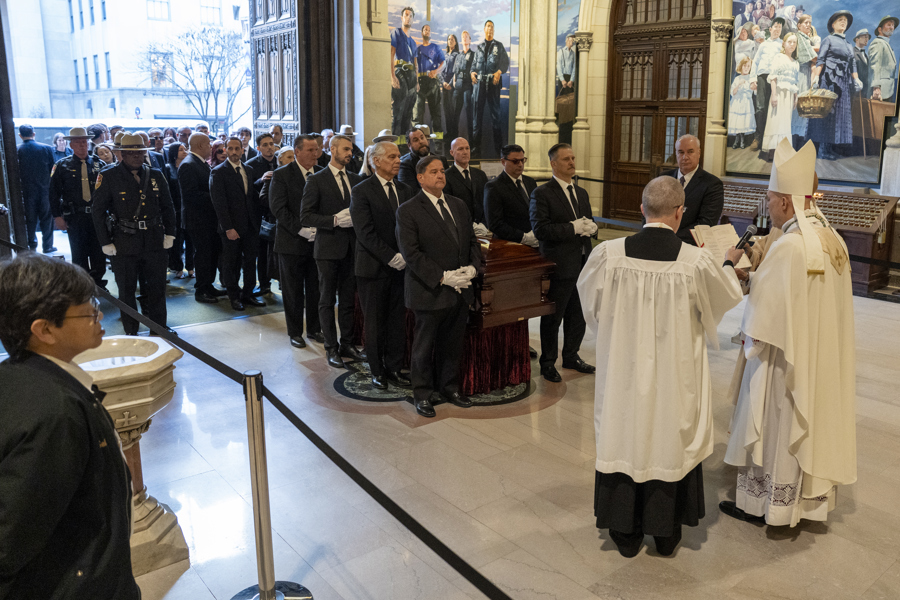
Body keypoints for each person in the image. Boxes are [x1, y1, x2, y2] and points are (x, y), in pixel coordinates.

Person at [577, 176, 743, 558]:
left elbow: (592, 309)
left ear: (642, 210)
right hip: (673, 377)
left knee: (625, 433)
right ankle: (665, 533)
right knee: (668, 439)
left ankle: (625, 532)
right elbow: (723, 299)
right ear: (680, 212)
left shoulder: (608, 255)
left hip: (623, 374)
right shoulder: (695, 261)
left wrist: (621, 335)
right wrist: (728, 264)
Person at [721, 139, 856, 527]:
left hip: (785, 361)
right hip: (819, 356)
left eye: (770, 199)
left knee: (778, 424)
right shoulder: (831, 239)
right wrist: (758, 279)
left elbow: (764, 317)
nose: (769, 205)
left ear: (783, 201)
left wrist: (736, 273)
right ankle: (801, 503)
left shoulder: (792, 246)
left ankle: (765, 505)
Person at [0, 254, 140, 599]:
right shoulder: (56, 413)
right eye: (88, 311)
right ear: (44, 330)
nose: (99, 315)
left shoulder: (20, 375)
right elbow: (12, 538)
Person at [396, 155, 482, 418]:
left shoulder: (458, 204)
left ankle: (449, 387)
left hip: (460, 288)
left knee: (452, 343)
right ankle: (422, 393)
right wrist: (443, 277)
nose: (440, 175)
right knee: (424, 346)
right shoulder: (409, 210)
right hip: (429, 289)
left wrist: (473, 267)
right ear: (420, 178)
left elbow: (471, 241)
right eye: (433, 172)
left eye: (442, 171)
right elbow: (411, 253)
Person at [91, 133, 176, 335]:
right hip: (124, 240)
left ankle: (158, 327)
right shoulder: (109, 176)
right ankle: (131, 330)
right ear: (122, 154)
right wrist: (105, 242)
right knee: (126, 290)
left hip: (153, 239)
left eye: (140, 152)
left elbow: (168, 206)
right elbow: (98, 211)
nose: (136, 156)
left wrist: (170, 233)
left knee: (157, 287)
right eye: (131, 153)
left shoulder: (155, 174)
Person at [350, 141, 414, 390]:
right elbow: (365, 232)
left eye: (398, 156)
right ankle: (377, 370)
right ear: (376, 161)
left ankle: (394, 367)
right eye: (392, 157)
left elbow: (410, 227)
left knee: (397, 320)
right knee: (375, 322)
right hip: (373, 267)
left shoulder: (405, 189)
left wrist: (405, 255)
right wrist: (391, 257)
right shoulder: (362, 190)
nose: (398, 160)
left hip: (401, 267)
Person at [530, 143, 596, 382]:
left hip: (583, 262)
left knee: (578, 314)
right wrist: (572, 228)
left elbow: (588, 221)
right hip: (559, 265)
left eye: (573, 158)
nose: (572, 162)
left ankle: (571, 355)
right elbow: (541, 230)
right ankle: (548, 362)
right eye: (566, 159)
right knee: (553, 318)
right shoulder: (542, 193)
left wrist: (592, 228)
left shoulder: (581, 192)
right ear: (554, 163)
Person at [299, 134, 366, 368]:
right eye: (346, 149)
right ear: (332, 149)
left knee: (348, 300)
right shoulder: (316, 180)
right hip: (327, 248)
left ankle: (347, 343)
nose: (350, 153)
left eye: (351, 150)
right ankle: (331, 347)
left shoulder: (356, 179)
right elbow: (306, 216)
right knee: (327, 300)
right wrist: (334, 220)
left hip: (352, 248)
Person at [269, 135, 324, 349]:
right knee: (293, 291)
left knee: (315, 288)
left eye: (316, 149)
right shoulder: (282, 174)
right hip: (291, 241)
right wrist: (301, 229)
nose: (315, 154)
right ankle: (295, 332)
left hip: (317, 241)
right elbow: (278, 208)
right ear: (297, 152)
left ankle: (314, 329)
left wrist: (319, 228)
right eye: (310, 150)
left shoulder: (321, 173)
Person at [48, 127, 108, 288]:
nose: (82, 145)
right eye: (78, 142)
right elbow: (53, 194)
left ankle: (99, 285)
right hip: (75, 217)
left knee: (98, 252)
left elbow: (108, 192)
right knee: (79, 253)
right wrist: (57, 217)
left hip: (96, 217)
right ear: (71, 145)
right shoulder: (61, 166)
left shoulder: (99, 164)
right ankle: (82, 286)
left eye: (85, 142)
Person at [210, 137, 263, 311]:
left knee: (250, 262)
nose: (234, 152)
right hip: (231, 227)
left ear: (242, 150)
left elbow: (251, 198)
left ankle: (248, 294)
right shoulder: (218, 172)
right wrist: (228, 228)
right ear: (226, 150)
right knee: (231, 263)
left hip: (250, 225)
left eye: (237, 148)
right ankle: (234, 296)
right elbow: (219, 204)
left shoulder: (248, 169)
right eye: (230, 148)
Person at [809, 11, 863, 161]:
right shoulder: (829, 40)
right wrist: (816, 77)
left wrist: (856, 79)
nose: (843, 22)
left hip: (843, 82)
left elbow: (852, 64)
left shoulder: (848, 44)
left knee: (838, 115)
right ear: (833, 25)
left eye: (845, 20)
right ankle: (822, 150)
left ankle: (830, 148)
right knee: (828, 114)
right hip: (829, 81)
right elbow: (821, 60)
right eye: (840, 20)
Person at [180, 132, 226, 303]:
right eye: (208, 144)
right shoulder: (188, 164)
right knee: (203, 255)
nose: (210, 147)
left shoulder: (200, 163)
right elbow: (191, 195)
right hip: (198, 220)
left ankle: (208, 285)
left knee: (211, 254)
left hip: (208, 219)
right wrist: (216, 196)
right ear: (200, 145)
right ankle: (201, 290)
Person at [664, 135, 725, 245]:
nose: (685, 157)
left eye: (690, 152)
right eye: (681, 152)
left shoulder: (712, 184)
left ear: (699, 153)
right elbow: (650, 210)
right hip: (659, 241)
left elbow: (706, 223)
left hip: (690, 246)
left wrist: (671, 238)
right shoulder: (663, 178)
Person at [246, 132, 280, 296]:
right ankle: (264, 284)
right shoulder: (251, 165)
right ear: (258, 148)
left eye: (271, 144)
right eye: (265, 145)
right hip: (259, 214)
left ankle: (281, 282)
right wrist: (261, 180)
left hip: (277, 213)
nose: (269, 148)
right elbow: (247, 190)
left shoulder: (280, 162)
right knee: (262, 251)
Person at [471, 20, 509, 158]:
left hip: (493, 84)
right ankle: (476, 149)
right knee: (477, 118)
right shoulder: (479, 47)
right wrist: (472, 73)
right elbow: (474, 65)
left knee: (496, 117)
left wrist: (499, 72)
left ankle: (499, 150)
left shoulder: (499, 46)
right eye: (488, 26)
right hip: (480, 85)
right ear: (484, 29)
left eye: (492, 27)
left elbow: (505, 63)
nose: (490, 29)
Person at [17, 124, 57, 253]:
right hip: (45, 189)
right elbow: (53, 170)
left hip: (26, 191)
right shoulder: (47, 148)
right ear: (34, 134)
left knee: (30, 220)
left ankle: (32, 245)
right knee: (47, 219)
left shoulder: (17, 150)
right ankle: (48, 246)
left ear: (20, 135)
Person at [751, 17, 785, 155]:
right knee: (760, 108)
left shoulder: (782, 45)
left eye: (780, 27)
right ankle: (758, 137)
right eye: (775, 26)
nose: (777, 29)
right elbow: (755, 62)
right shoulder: (763, 45)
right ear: (770, 29)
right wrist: (753, 79)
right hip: (762, 77)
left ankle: (770, 140)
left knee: (773, 109)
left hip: (776, 79)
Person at [762, 33, 800, 154]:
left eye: (794, 42)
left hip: (789, 95)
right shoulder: (778, 57)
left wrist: (795, 97)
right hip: (779, 93)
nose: (792, 44)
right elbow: (773, 77)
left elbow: (794, 81)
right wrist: (774, 95)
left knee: (785, 121)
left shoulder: (795, 63)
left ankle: (783, 149)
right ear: (784, 43)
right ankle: (773, 149)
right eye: (789, 42)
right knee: (776, 119)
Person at [444, 137, 488, 231]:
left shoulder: (480, 174)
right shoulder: (446, 176)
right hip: (460, 227)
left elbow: (486, 201)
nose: (465, 152)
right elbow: (449, 206)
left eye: (467, 148)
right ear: (452, 152)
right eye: (460, 149)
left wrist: (484, 223)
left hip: (482, 227)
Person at [414, 24, 446, 141]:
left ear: (430, 33)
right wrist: (416, 82)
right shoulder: (418, 50)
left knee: (436, 114)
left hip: (433, 82)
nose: (427, 31)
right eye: (425, 29)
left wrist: (436, 71)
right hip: (420, 82)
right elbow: (415, 67)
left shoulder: (436, 48)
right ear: (422, 32)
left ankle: (438, 144)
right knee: (418, 114)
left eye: (429, 30)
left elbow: (444, 63)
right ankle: (419, 142)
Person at [165, 141, 192, 279]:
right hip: (175, 209)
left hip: (188, 208)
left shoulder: (189, 166)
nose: (184, 151)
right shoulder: (168, 168)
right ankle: (178, 267)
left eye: (185, 149)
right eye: (181, 149)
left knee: (190, 239)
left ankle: (191, 267)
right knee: (177, 241)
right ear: (174, 153)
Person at [390, 6, 418, 135]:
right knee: (399, 111)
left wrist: (417, 81)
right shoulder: (396, 33)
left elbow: (415, 64)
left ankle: (406, 143)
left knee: (408, 111)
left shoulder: (413, 42)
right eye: (406, 15)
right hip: (400, 72)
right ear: (402, 18)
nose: (408, 17)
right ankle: (396, 143)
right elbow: (391, 55)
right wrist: (392, 76)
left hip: (411, 75)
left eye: (411, 16)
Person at [793, 15, 819, 146]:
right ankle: (795, 141)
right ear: (799, 25)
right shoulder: (799, 37)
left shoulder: (807, 38)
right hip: (800, 73)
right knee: (799, 104)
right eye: (806, 23)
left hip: (807, 72)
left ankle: (801, 139)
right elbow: (813, 58)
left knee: (805, 105)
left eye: (810, 23)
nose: (808, 25)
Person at [398, 126, 446, 192]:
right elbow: (410, 192)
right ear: (409, 146)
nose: (421, 141)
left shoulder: (441, 160)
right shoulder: (405, 165)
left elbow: (447, 188)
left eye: (422, 138)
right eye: (415, 140)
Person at [729, 57, 758, 150]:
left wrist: (755, 87)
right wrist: (739, 84)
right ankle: (737, 140)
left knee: (744, 121)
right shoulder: (737, 78)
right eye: (744, 66)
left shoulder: (751, 79)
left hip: (746, 103)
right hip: (737, 102)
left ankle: (742, 141)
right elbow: (733, 92)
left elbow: (754, 92)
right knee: (738, 121)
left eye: (748, 66)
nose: (746, 68)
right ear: (741, 66)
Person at [453, 30, 477, 140]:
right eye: (463, 37)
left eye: (466, 36)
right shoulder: (458, 56)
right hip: (458, 85)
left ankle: (471, 140)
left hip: (468, 85)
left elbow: (475, 69)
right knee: (455, 112)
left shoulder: (473, 55)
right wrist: (454, 81)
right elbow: (455, 71)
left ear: (470, 40)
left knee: (469, 113)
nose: (464, 38)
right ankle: (453, 139)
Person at [869, 16, 898, 103]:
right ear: (880, 29)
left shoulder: (886, 44)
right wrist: (876, 87)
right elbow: (875, 65)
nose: (891, 27)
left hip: (888, 91)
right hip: (880, 92)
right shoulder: (878, 42)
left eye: (892, 25)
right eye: (888, 25)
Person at [441, 34, 461, 144]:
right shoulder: (445, 55)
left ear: (456, 42)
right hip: (444, 85)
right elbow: (441, 70)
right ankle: (449, 133)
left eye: (452, 39)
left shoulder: (457, 55)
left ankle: (454, 134)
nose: (450, 41)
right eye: (449, 39)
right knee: (446, 110)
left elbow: (456, 71)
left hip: (452, 85)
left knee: (453, 111)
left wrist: (449, 84)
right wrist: (443, 82)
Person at [852, 29, 871, 99]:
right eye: (864, 37)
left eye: (867, 37)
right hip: (854, 90)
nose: (867, 39)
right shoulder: (852, 52)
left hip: (865, 91)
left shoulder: (866, 56)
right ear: (857, 39)